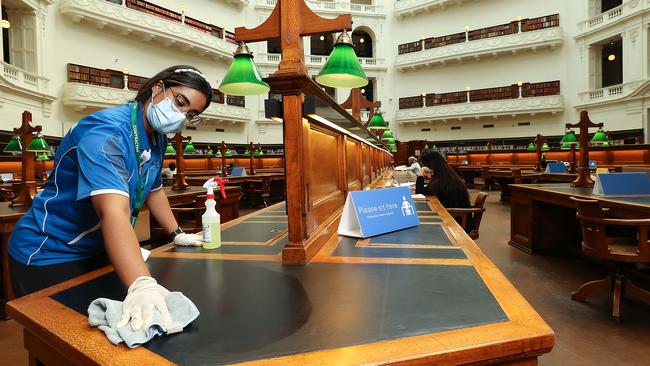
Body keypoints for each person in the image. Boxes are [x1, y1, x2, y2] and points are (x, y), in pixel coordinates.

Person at [8, 65, 212, 331]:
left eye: (191, 114)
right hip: (50, 250)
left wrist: (177, 234)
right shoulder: (107, 131)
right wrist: (141, 283)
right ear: (158, 88)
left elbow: (154, 189)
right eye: (180, 102)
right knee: (69, 345)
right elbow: (113, 212)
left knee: (130, 326)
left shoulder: (157, 138)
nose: (181, 115)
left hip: (97, 248)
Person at [415, 150, 473, 228]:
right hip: (457, 216)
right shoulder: (446, 175)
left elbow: (420, 193)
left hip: (457, 221)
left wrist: (421, 174)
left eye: (423, 165)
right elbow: (424, 192)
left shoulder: (441, 180)